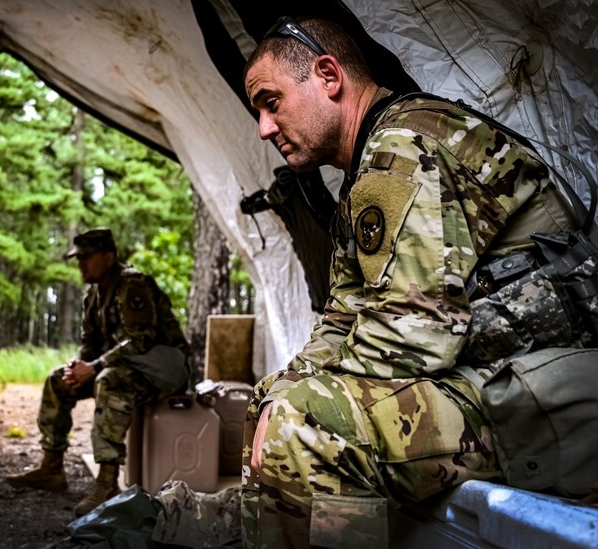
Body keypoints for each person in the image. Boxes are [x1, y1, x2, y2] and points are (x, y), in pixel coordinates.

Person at [240, 15, 580, 548]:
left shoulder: (408, 144)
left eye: (270, 102)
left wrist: (297, 406)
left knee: (306, 428)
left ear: (328, 76)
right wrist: (279, 393)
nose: (263, 127)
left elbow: (408, 335)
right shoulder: (371, 170)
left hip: (550, 394)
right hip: (495, 382)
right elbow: (345, 321)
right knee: (277, 403)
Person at [5, 227, 191, 517]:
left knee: (109, 382)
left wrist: (95, 367)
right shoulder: (93, 294)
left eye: (86, 258)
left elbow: (141, 340)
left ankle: (107, 482)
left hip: (163, 369)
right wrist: (77, 367)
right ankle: (52, 467)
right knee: (57, 380)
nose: (80, 265)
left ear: (108, 257)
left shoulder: (133, 285)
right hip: (125, 365)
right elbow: (89, 344)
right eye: (78, 259)